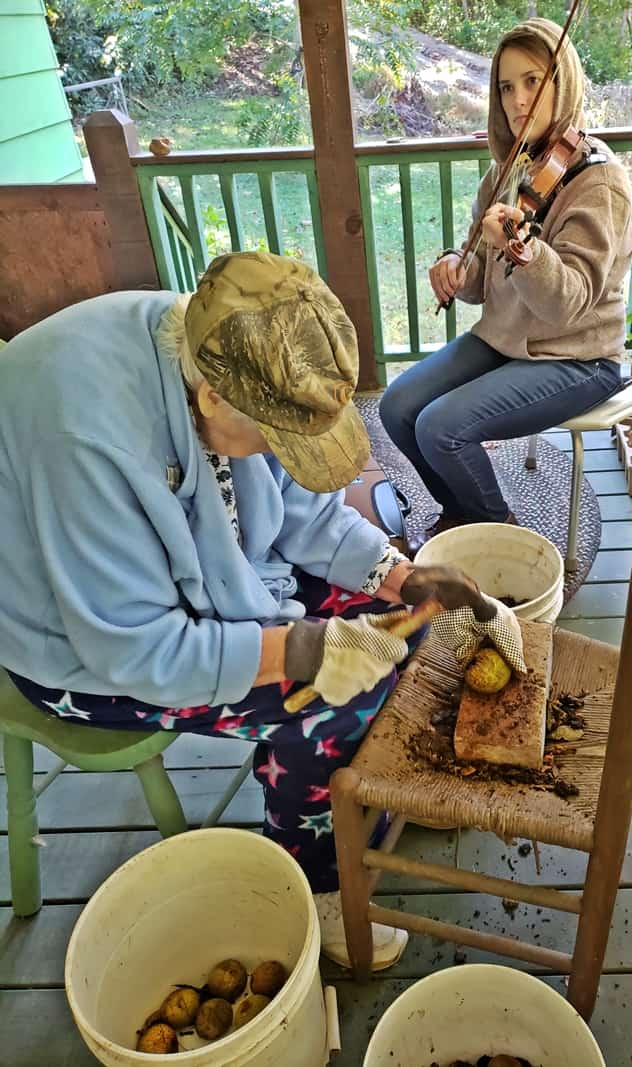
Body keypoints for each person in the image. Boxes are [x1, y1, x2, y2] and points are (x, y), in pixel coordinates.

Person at [0, 251, 526, 970]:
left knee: (412, 626)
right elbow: (132, 649)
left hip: (208, 578)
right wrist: (302, 649)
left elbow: (303, 516)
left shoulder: (237, 349)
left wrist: (404, 578)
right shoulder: (86, 435)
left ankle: (371, 791)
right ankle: (318, 885)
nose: (283, 457)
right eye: (277, 443)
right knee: (328, 705)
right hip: (76, 644)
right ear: (212, 399)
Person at [380, 17, 632, 554]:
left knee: (441, 428)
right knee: (397, 406)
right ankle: (461, 515)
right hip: (505, 339)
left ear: (563, 80)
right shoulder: (508, 171)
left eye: (533, 81)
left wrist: (520, 246)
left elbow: (567, 306)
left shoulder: (599, 180)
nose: (519, 99)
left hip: (575, 356)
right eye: (506, 86)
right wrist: (457, 266)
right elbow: (479, 286)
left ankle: (505, 539)